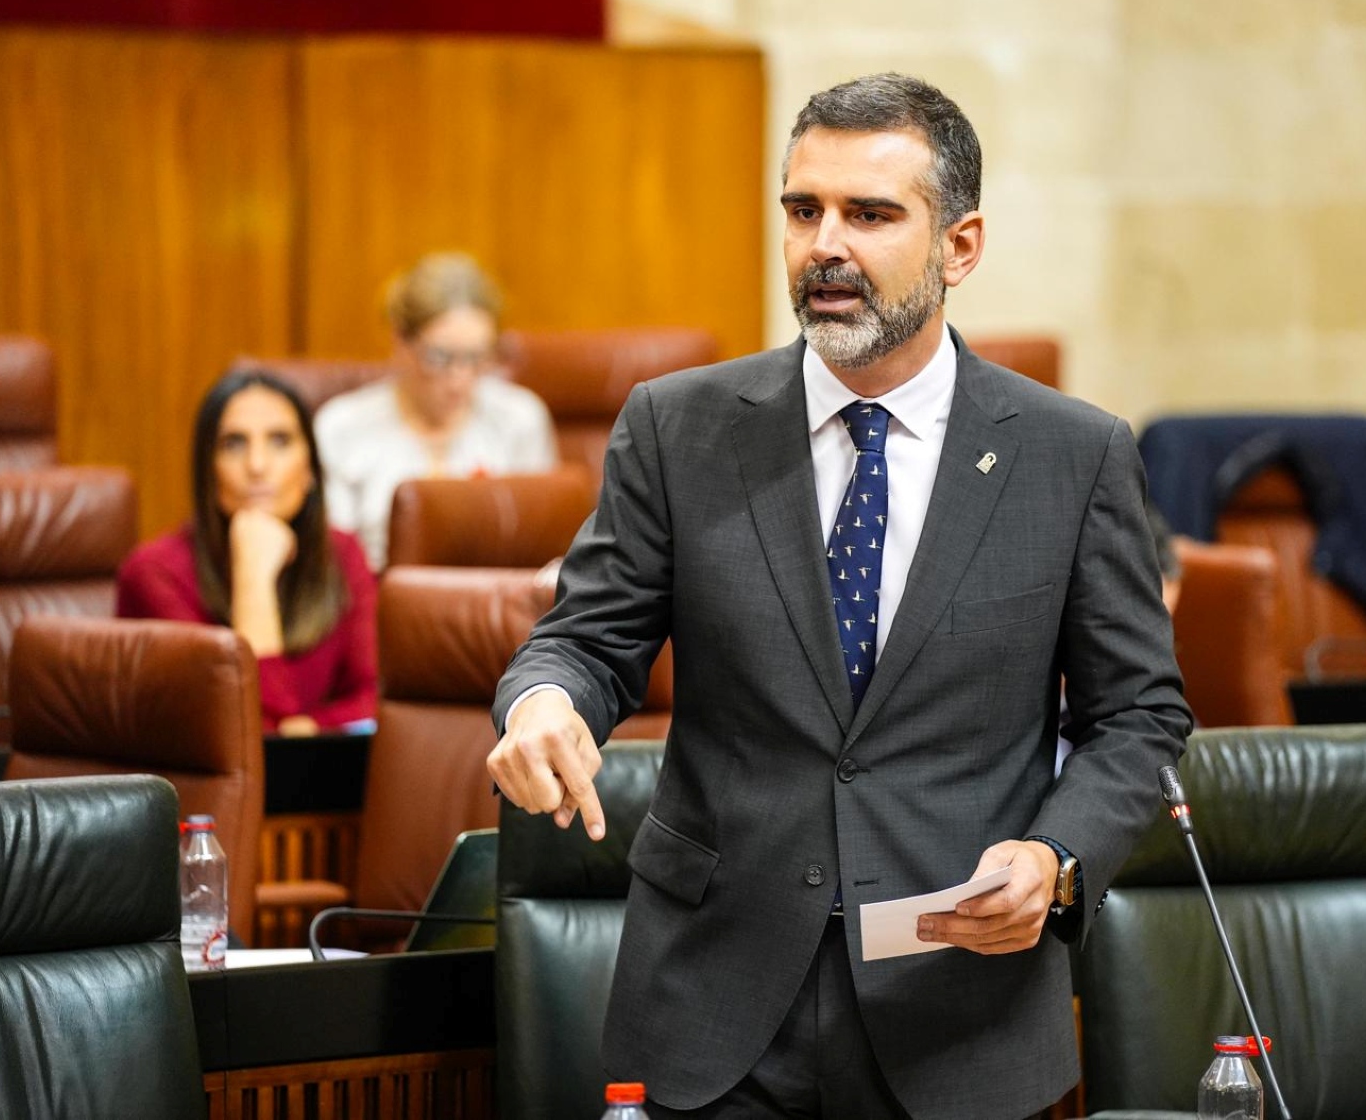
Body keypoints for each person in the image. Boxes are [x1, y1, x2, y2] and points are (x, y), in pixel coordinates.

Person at [488, 74, 1192, 1120]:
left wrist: (1053, 859)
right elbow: (586, 641)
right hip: (713, 1008)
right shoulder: (677, 426)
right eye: (801, 209)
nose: (825, 243)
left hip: (958, 1014)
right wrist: (541, 701)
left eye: (868, 214)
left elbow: (1137, 718)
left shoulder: (1071, 453)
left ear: (958, 246)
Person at [117, 371, 377, 736]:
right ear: (208, 471)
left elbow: (374, 699)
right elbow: (248, 733)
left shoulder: (343, 553)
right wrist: (253, 573)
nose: (257, 465)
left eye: (280, 441)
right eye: (234, 444)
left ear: (310, 470)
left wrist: (305, 729)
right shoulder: (154, 573)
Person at [314, 252, 558, 569]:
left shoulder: (519, 418)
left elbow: (542, 541)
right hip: (379, 603)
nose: (460, 379)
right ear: (400, 340)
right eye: (440, 357)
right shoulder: (341, 426)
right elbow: (337, 562)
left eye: (477, 358)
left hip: (496, 603)